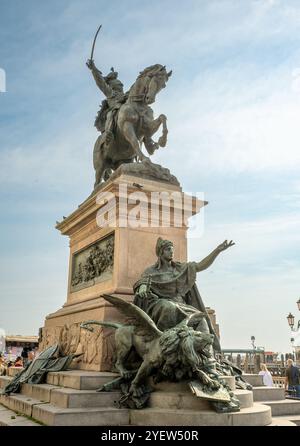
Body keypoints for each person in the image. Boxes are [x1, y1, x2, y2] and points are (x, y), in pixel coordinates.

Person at [133, 237, 235, 353]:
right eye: (168, 249)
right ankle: (163, 347)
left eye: (172, 249)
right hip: (161, 304)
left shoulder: (180, 269)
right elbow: (142, 283)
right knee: (168, 307)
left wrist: (217, 251)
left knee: (201, 319)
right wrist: (142, 287)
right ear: (161, 252)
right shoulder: (151, 272)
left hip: (181, 305)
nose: (172, 252)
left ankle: (205, 356)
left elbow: (200, 266)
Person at [86, 59, 126, 143]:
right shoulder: (110, 93)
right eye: (119, 85)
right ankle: (109, 133)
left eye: (121, 85)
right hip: (114, 112)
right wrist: (94, 69)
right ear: (113, 86)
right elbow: (100, 82)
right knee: (112, 114)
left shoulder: (126, 95)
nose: (121, 87)